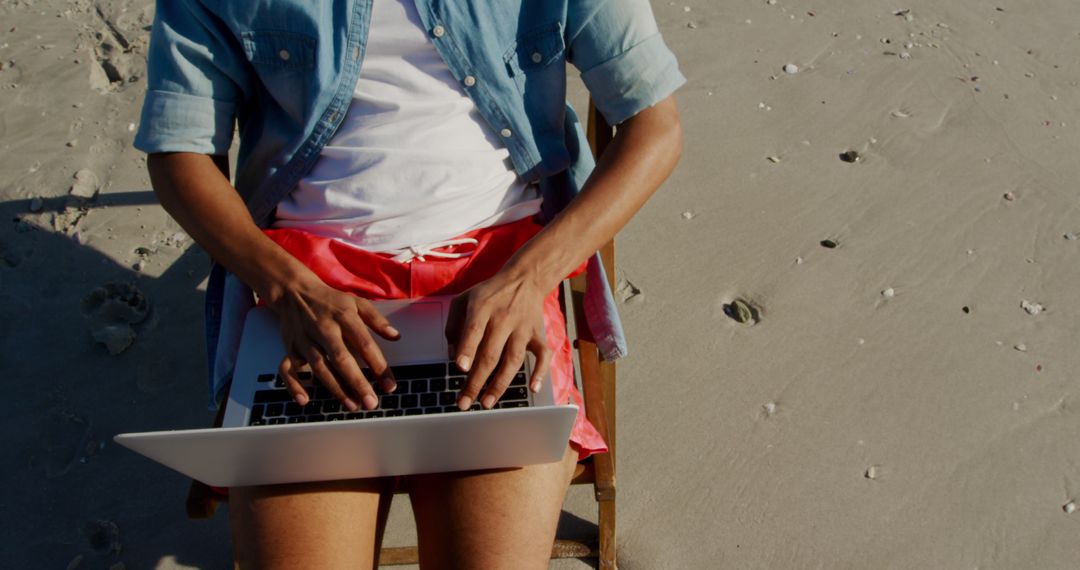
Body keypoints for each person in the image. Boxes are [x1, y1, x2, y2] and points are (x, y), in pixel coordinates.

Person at [134, 0, 684, 567]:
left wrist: (530, 277)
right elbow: (179, 151)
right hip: (309, 293)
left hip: (499, 277)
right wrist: (288, 288)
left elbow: (654, 127)